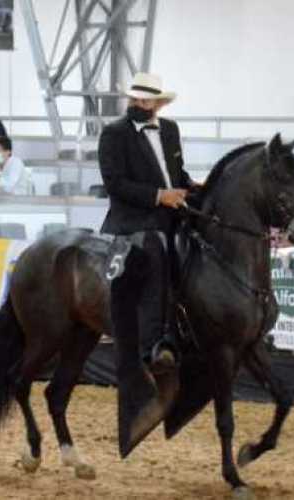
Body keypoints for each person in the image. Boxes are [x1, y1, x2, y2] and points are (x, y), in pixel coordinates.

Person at [99, 72, 196, 372]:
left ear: (156, 103)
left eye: (149, 99)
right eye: (139, 98)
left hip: (171, 211)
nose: (143, 103)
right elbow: (114, 183)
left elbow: (177, 173)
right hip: (134, 218)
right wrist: (158, 196)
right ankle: (152, 344)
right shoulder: (114, 133)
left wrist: (194, 187)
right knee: (156, 252)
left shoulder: (170, 130)